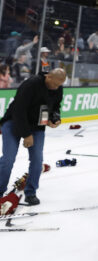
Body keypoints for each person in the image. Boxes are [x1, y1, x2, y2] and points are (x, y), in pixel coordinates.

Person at [0, 68, 66, 205]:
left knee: (37, 160)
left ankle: (31, 192)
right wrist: (27, 135)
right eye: (55, 84)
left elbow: (55, 107)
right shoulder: (31, 84)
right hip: (14, 122)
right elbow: (19, 111)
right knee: (8, 159)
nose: (57, 88)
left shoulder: (57, 88)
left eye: (60, 85)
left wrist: (54, 118)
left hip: (36, 126)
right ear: (48, 77)